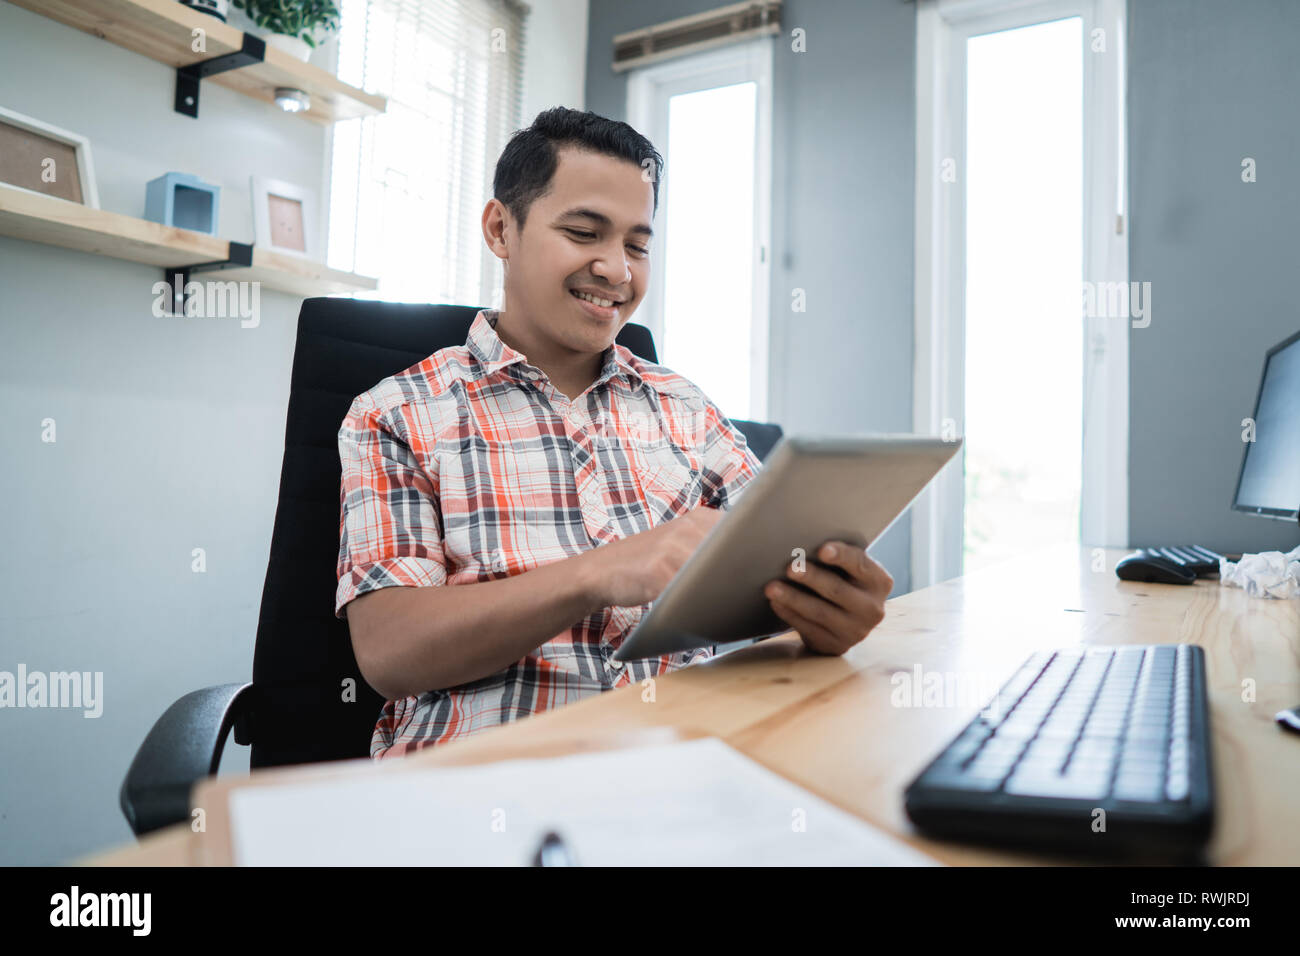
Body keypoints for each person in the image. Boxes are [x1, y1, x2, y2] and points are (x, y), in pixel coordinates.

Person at [335, 106, 893, 759]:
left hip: (686, 762)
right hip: (489, 776)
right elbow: (389, 651)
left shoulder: (686, 409)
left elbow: (780, 564)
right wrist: (599, 572)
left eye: (637, 246)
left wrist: (827, 611)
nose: (617, 270)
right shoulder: (396, 413)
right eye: (583, 232)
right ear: (500, 229)